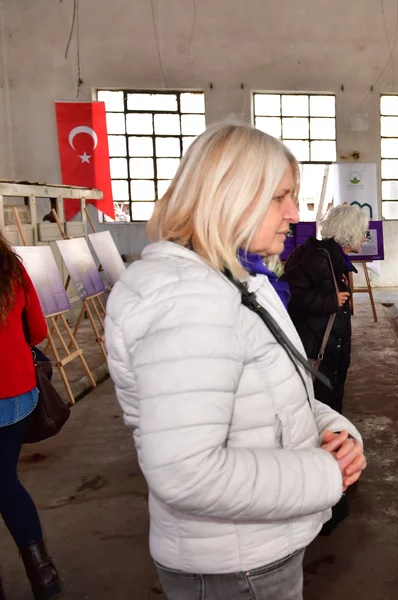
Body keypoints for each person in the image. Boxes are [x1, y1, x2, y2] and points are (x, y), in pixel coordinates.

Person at [104, 122, 367, 600]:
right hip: (236, 567)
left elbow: (275, 394)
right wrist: (325, 474)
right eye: (280, 197)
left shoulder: (232, 281)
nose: (294, 213)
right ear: (231, 196)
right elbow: (188, 473)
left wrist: (334, 431)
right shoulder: (188, 301)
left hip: (253, 551)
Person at [280, 205, 368, 536]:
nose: (364, 237)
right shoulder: (319, 258)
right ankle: (327, 498)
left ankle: (331, 490)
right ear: (349, 232)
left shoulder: (329, 256)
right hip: (318, 354)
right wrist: (331, 300)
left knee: (328, 415)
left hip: (327, 352)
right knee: (321, 421)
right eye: (361, 231)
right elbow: (291, 294)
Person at [0, 232, 63, 600]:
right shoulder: (11, 266)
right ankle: (44, 575)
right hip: (16, 393)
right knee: (6, 481)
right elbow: (37, 330)